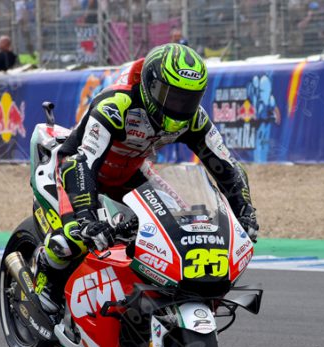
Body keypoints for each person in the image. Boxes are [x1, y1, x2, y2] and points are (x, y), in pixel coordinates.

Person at [33, 43, 259, 313]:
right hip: (76, 170)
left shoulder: (194, 119)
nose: (179, 107)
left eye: (188, 99)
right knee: (77, 235)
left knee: (180, 225)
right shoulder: (116, 105)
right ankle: (47, 275)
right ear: (150, 84)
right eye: (172, 96)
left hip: (130, 173)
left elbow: (226, 166)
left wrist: (244, 209)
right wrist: (87, 218)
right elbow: (83, 162)